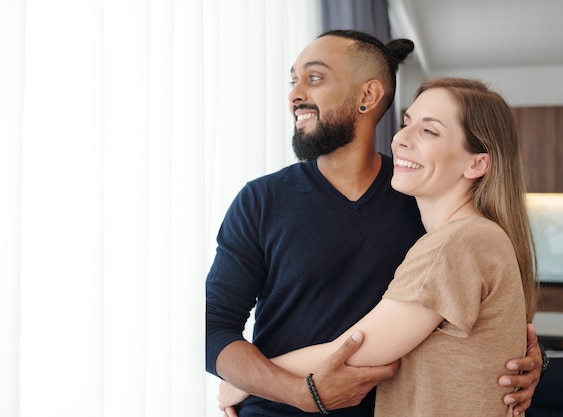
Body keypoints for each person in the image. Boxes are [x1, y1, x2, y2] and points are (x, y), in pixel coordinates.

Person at [206, 30, 544, 417]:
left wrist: (528, 360)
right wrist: (289, 390)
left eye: (314, 77)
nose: (295, 94)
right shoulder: (261, 201)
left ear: (368, 96)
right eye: (293, 80)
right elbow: (211, 329)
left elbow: (474, 320)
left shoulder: (426, 202)